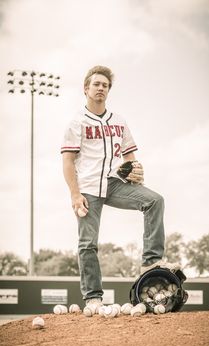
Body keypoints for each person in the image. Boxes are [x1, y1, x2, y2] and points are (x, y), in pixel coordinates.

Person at [61, 65, 165, 308]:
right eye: (96, 84)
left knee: (154, 200)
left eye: (105, 85)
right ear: (86, 89)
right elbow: (67, 161)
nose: (100, 88)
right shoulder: (76, 122)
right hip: (87, 188)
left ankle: (151, 261)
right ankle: (93, 297)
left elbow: (130, 156)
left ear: (108, 91)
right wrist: (75, 195)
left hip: (115, 184)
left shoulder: (119, 121)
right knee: (88, 244)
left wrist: (135, 170)